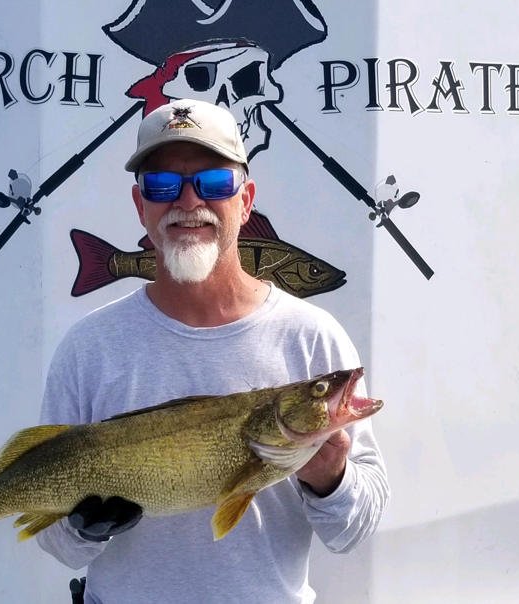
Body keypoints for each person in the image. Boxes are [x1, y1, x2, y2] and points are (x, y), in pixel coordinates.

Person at [36, 98, 389, 603]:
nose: (187, 202)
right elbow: (57, 545)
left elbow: (354, 531)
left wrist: (330, 478)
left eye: (213, 183)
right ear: (141, 207)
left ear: (245, 201)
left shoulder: (312, 336)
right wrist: (83, 528)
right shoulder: (89, 348)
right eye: (162, 185)